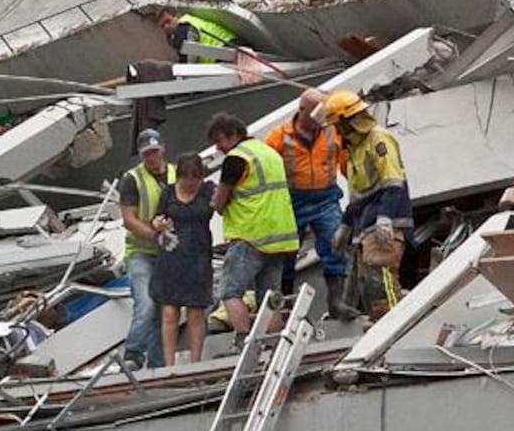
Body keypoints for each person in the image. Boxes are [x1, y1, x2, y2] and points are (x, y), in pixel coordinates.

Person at [316, 90, 413, 322]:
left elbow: (393, 181)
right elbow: (358, 195)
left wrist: (385, 216)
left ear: (347, 121)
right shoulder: (354, 149)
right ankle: (380, 325)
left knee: (381, 278)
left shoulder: (378, 139)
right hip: (365, 224)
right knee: (368, 283)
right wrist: (346, 225)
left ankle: (393, 326)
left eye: (337, 125)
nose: (336, 131)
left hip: (385, 222)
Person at [264, 88, 360, 320]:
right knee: (286, 253)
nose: (320, 118)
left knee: (335, 245)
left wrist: (361, 192)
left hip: (326, 199)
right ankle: (284, 301)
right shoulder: (279, 137)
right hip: (291, 202)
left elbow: (347, 163)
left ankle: (336, 301)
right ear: (302, 110)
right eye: (316, 112)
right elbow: (265, 170)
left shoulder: (332, 132)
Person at [208, 113, 299, 352]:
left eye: (220, 141)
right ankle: (274, 345)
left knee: (229, 291)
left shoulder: (236, 159)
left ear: (234, 134)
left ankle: (243, 341)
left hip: (251, 235)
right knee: (270, 297)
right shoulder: (269, 152)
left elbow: (219, 203)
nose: (219, 148)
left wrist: (215, 200)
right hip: (279, 236)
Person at [150, 153, 215, 366]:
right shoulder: (168, 193)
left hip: (198, 257)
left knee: (196, 313)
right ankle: (169, 366)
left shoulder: (208, 190)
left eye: (195, 177)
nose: (190, 182)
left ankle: (195, 364)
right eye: (186, 177)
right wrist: (158, 223)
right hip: (171, 258)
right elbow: (157, 218)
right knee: (169, 312)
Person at [119, 128, 176, 370]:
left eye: (154, 152)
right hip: (141, 252)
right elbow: (129, 219)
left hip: (170, 252)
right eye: (147, 154)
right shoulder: (133, 179)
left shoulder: (176, 173)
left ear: (162, 149)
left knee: (165, 309)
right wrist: (154, 236)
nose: (151, 158)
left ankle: (158, 364)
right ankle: (133, 354)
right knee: (147, 303)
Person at [156, 6, 243, 64]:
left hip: (226, 51)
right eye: (162, 26)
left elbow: (189, 60)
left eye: (168, 21)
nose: (166, 27)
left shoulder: (182, 27)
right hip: (230, 48)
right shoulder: (191, 20)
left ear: (177, 16)